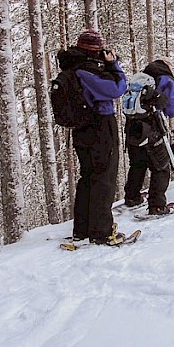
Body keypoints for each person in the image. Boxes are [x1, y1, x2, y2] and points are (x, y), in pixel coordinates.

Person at [57, 29, 127, 244]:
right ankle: (101, 231)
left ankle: (83, 228)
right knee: (103, 177)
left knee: (88, 176)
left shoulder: (72, 68)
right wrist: (113, 65)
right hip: (99, 125)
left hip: (82, 128)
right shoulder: (86, 71)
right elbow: (117, 88)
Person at [123, 60, 174, 214]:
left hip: (132, 127)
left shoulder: (140, 79)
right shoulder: (166, 80)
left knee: (137, 163)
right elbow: (173, 110)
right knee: (161, 166)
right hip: (152, 129)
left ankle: (132, 196)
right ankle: (157, 205)